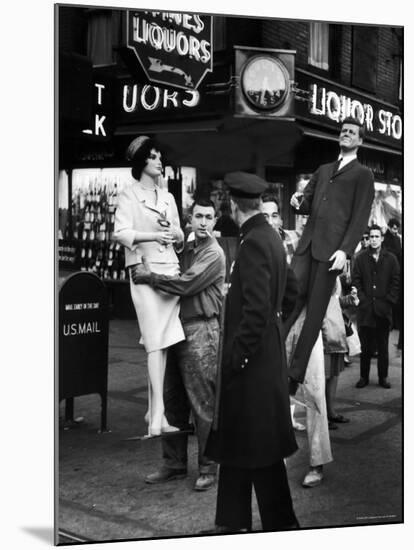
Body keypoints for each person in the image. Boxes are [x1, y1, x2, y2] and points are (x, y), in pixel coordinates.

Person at [206, 172, 299, 533]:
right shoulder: (269, 236)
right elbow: (290, 293)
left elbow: (257, 309)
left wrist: (239, 356)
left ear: (232, 205)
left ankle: (280, 525)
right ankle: (231, 522)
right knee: (242, 443)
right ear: (258, 204)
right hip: (264, 358)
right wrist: (277, 329)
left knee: (257, 446)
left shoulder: (254, 242)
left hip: (251, 364)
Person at [130, 199, 226, 491]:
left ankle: (208, 467)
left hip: (200, 328)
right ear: (190, 218)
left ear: (215, 221)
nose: (203, 222)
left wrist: (151, 277)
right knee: (172, 399)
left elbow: (186, 284)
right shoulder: (185, 247)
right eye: (198, 216)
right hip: (172, 325)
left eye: (209, 217)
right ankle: (174, 464)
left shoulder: (213, 253)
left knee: (202, 402)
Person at [286, 117, 375, 394]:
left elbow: (360, 217)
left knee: (314, 312)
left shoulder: (364, 175)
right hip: (307, 246)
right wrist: (296, 201)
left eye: (352, 132)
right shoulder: (323, 169)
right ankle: (273, 354)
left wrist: (345, 251)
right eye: (344, 131)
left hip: (331, 254)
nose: (346, 134)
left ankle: (294, 375)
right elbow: (306, 203)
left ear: (359, 141)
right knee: (290, 299)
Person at [113, 135, 185, 436]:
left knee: (163, 343)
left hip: (169, 270)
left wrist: (174, 234)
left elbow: (180, 233)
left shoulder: (167, 197)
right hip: (143, 271)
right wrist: (153, 236)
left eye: (159, 156)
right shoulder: (128, 195)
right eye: (153, 156)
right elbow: (121, 233)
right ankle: (158, 417)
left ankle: (153, 413)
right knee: (155, 342)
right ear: (141, 161)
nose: (159, 161)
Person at [261, 194, 305, 431]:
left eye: (274, 215)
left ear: (280, 218)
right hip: (269, 315)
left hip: (292, 312)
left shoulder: (291, 238)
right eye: (264, 215)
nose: (270, 220)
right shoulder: (257, 242)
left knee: (290, 367)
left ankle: (288, 416)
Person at [352, 224, 400, 389]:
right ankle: (363, 377)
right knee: (365, 348)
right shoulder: (360, 258)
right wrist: (363, 300)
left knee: (382, 347)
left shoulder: (391, 259)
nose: (373, 240)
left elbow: (396, 281)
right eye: (371, 237)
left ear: (382, 238)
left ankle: (383, 377)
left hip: (383, 310)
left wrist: (389, 301)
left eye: (376, 236)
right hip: (366, 310)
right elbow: (356, 281)